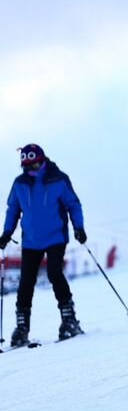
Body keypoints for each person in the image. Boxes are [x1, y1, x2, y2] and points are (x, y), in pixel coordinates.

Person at [0, 144, 86, 346]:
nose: (32, 169)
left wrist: (79, 227)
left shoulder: (58, 179)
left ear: (43, 160)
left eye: (35, 164)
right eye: (27, 166)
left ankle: (69, 320)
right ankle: (22, 327)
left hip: (56, 237)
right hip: (31, 240)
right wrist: (6, 233)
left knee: (55, 273)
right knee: (26, 281)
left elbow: (73, 204)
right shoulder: (20, 183)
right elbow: (13, 210)